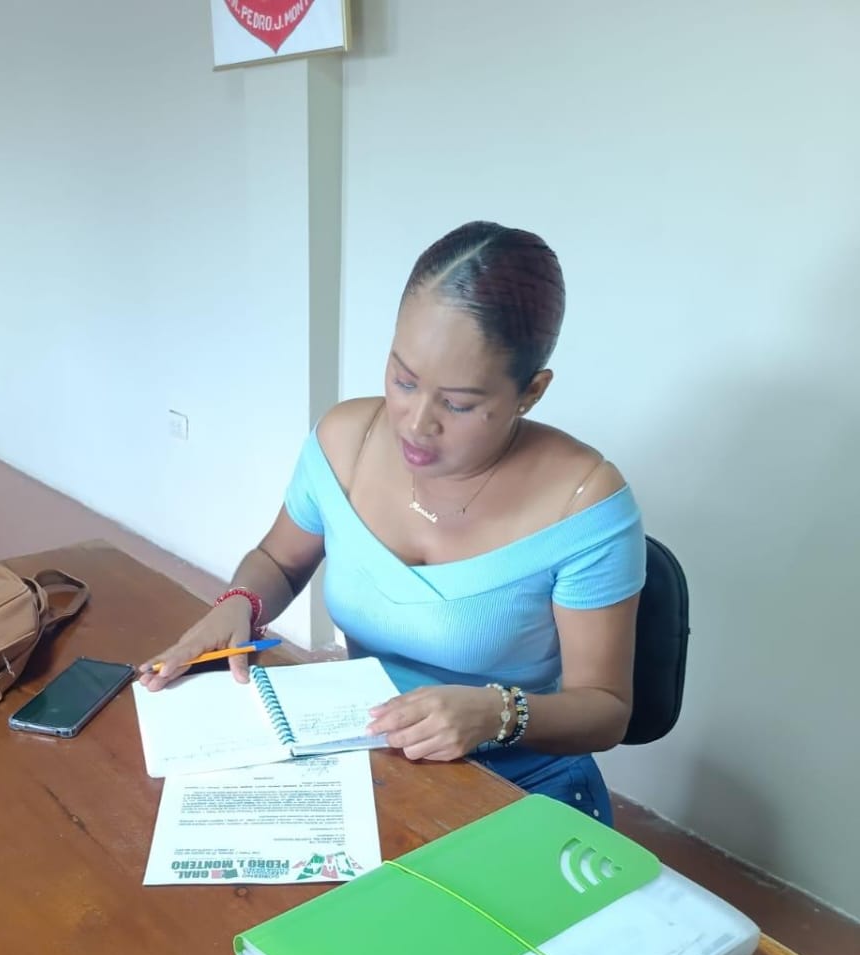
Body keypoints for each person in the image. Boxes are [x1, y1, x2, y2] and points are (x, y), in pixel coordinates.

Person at [140, 221, 645, 825]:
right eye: (404, 380)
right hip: (373, 760)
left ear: (531, 392)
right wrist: (240, 603)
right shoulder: (344, 443)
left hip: (516, 784)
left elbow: (605, 709)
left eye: (458, 404)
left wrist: (496, 713)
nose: (415, 422)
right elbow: (278, 560)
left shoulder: (584, 505)